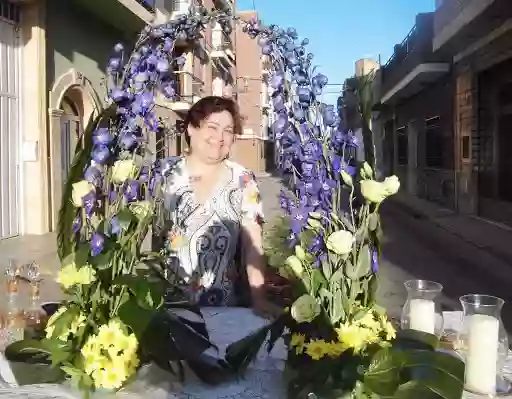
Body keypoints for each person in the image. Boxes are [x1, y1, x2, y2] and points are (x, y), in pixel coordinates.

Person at [163, 96, 276, 317]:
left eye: (228, 130)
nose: (220, 138)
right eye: (212, 127)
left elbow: (252, 245)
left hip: (225, 308)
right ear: (191, 129)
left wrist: (259, 298)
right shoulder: (164, 175)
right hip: (166, 307)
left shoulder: (243, 180)